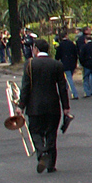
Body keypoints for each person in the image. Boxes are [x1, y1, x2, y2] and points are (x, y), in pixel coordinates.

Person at [17, 38, 71, 174]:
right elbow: (62, 87)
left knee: (35, 131)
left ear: (36, 49)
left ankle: (41, 153)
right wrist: (66, 106)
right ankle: (51, 165)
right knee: (51, 134)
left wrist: (21, 105)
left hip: (34, 106)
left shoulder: (29, 65)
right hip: (53, 105)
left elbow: (25, 87)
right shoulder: (56, 65)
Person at [54, 30, 80, 100]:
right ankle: (63, 92)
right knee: (68, 78)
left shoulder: (60, 45)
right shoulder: (72, 44)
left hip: (65, 63)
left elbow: (57, 56)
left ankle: (74, 93)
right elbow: (76, 53)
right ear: (66, 36)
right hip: (72, 63)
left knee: (68, 79)